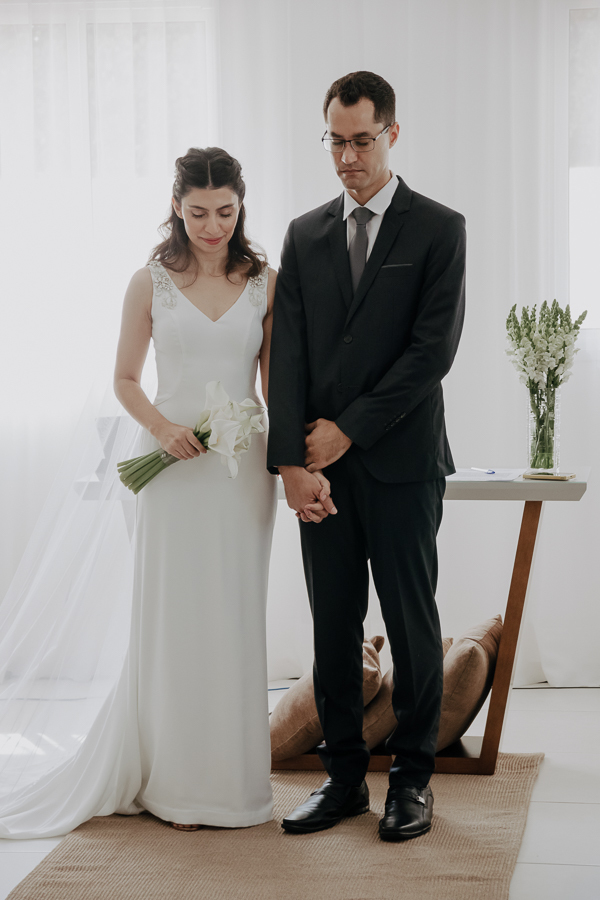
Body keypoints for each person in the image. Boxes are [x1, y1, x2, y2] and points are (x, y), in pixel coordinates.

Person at [267, 71, 466, 840]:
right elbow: (287, 359)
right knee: (333, 626)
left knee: (412, 624)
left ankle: (412, 781)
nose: (347, 157)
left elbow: (430, 355)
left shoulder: (440, 229)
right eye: (335, 142)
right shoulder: (304, 233)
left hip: (403, 464)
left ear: (391, 133)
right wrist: (292, 463)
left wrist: (346, 429)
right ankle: (344, 778)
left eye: (362, 140)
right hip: (319, 474)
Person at [113, 146, 331, 830]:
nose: (214, 227)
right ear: (177, 206)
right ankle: (171, 780)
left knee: (232, 615)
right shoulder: (149, 281)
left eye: (227, 212)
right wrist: (163, 428)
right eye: (200, 212)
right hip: (171, 473)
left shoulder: (265, 280)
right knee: (174, 617)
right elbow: (123, 379)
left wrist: (296, 461)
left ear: (242, 207)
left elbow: (275, 385)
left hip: (240, 474)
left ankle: (233, 785)